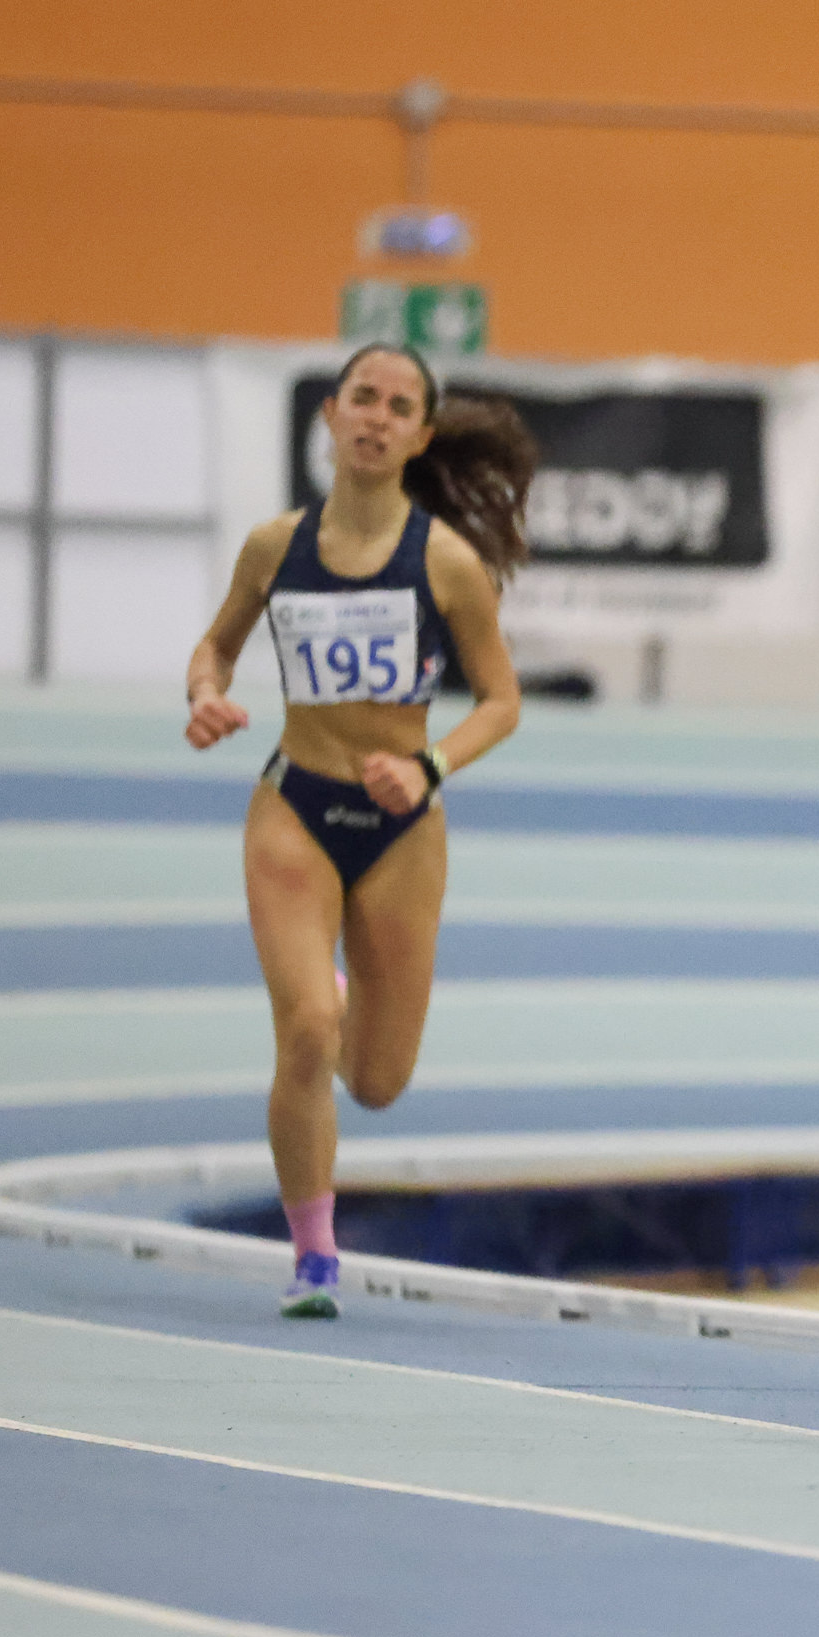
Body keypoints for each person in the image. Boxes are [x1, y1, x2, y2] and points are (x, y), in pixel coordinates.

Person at [183, 344, 536, 1318]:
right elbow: (216, 647)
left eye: (398, 406)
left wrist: (430, 765)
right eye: (362, 398)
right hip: (294, 807)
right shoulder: (274, 548)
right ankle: (314, 1257)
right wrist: (206, 693)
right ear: (331, 416)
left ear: (420, 436)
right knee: (304, 1030)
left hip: (401, 830)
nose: (376, 417)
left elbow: (502, 701)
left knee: (377, 1081)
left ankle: (338, 996)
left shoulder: (447, 563)